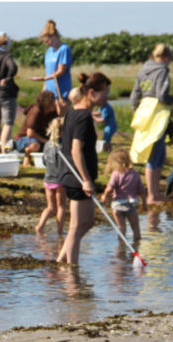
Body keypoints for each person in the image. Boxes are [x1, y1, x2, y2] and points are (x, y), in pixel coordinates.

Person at [57, 72, 112, 265]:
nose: (107, 97)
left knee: (88, 222)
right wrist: (86, 179)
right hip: (77, 179)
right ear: (92, 93)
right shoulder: (81, 116)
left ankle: (61, 261)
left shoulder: (76, 111)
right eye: (104, 92)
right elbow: (75, 150)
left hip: (78, 177)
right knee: (75, 226)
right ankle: (72, 273)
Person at [130, 43, 173, 204]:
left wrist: (137, 111)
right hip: (158, 114)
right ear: (166, 58)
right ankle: (151, 196)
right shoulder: (162, 70)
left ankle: (155, 194)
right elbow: (162, 96)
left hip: (144, 111)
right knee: (155, 154)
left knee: (160, 154)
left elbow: (134, 95)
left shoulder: (143, 70)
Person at [100, 148, 147, 242]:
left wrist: (104, 195)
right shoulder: (135, 174)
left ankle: (121, 248)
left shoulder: (116, 174)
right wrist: (144, 204)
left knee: (121, 227)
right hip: (131, 204)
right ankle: (136, 246)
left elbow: (110, 187)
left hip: (117, 205)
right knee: (136, 228)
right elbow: (142, 190)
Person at [35, 117, 66, 235]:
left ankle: (40, 226)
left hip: (48, 179)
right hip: (59, 180)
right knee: (61, 206)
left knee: (50, 207)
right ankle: (60, 231)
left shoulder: (47, 144)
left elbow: (44, 161)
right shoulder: (63, 145)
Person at [13, 90, 59, 166]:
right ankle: (27, 155)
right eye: (53, 101)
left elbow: (60, 119)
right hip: (25, 138)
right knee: (35, 145)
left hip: (41, 137)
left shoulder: (52, 112)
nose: (55, 103)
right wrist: (46, 141)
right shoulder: (35, 111)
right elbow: (30, 133)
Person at [29, 20, 72, 99]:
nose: (47, 44)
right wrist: (43, 90)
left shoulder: (64, 49)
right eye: (45, 42)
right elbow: (48, 72)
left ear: (54, 36)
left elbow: (60, 72)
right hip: (49, 92)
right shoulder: (49, 51)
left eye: (48, 41)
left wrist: (43, 78)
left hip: (61, 92)